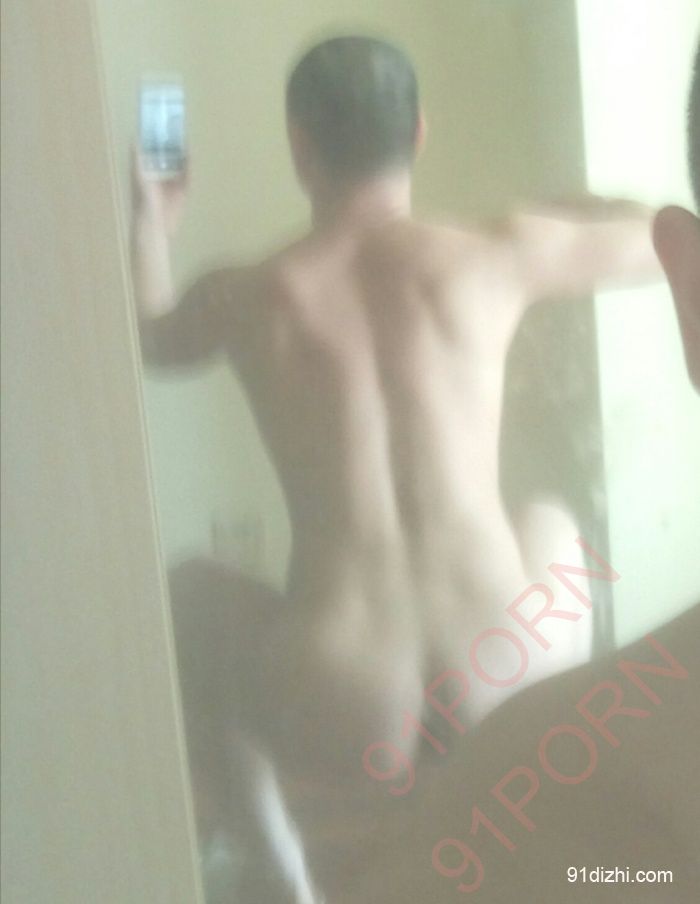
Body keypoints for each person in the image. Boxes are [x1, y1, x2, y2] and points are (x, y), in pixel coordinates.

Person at [130, 35, 666, 902]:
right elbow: (663, 240)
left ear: (300, 145)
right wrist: (565, 214)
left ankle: (280, 870)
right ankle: (552, 802)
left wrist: (153, 223)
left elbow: (152, 338)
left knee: (186, 596)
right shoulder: (496, 250)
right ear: (418, 132)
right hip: (503, 668)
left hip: (342, 696)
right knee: (553, 523)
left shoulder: (250, 293)